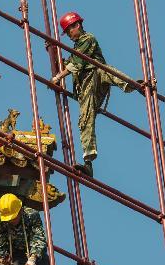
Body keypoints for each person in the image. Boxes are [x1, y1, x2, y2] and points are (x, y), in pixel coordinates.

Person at [50, 12, 140, 176]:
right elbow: (68, 63)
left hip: (97, 79)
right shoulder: (76, 47)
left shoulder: (88, 39)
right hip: (87, 88)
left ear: (76, 26)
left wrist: (58, 77)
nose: (69, 35)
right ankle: (88, 162)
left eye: (69, 30)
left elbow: (76, 64)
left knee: (103, 69)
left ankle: (134, 85)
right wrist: (54, 54)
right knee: (85, 119)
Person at [0, 193, 51, 265]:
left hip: (37, 255)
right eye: (9, 219)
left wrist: (32, 259)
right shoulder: (0, 225)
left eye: (13, 218)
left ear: (20, 211)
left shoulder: (32, 215)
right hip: (15, 257)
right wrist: (0, 260)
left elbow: (38, 238)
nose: (11, 221)